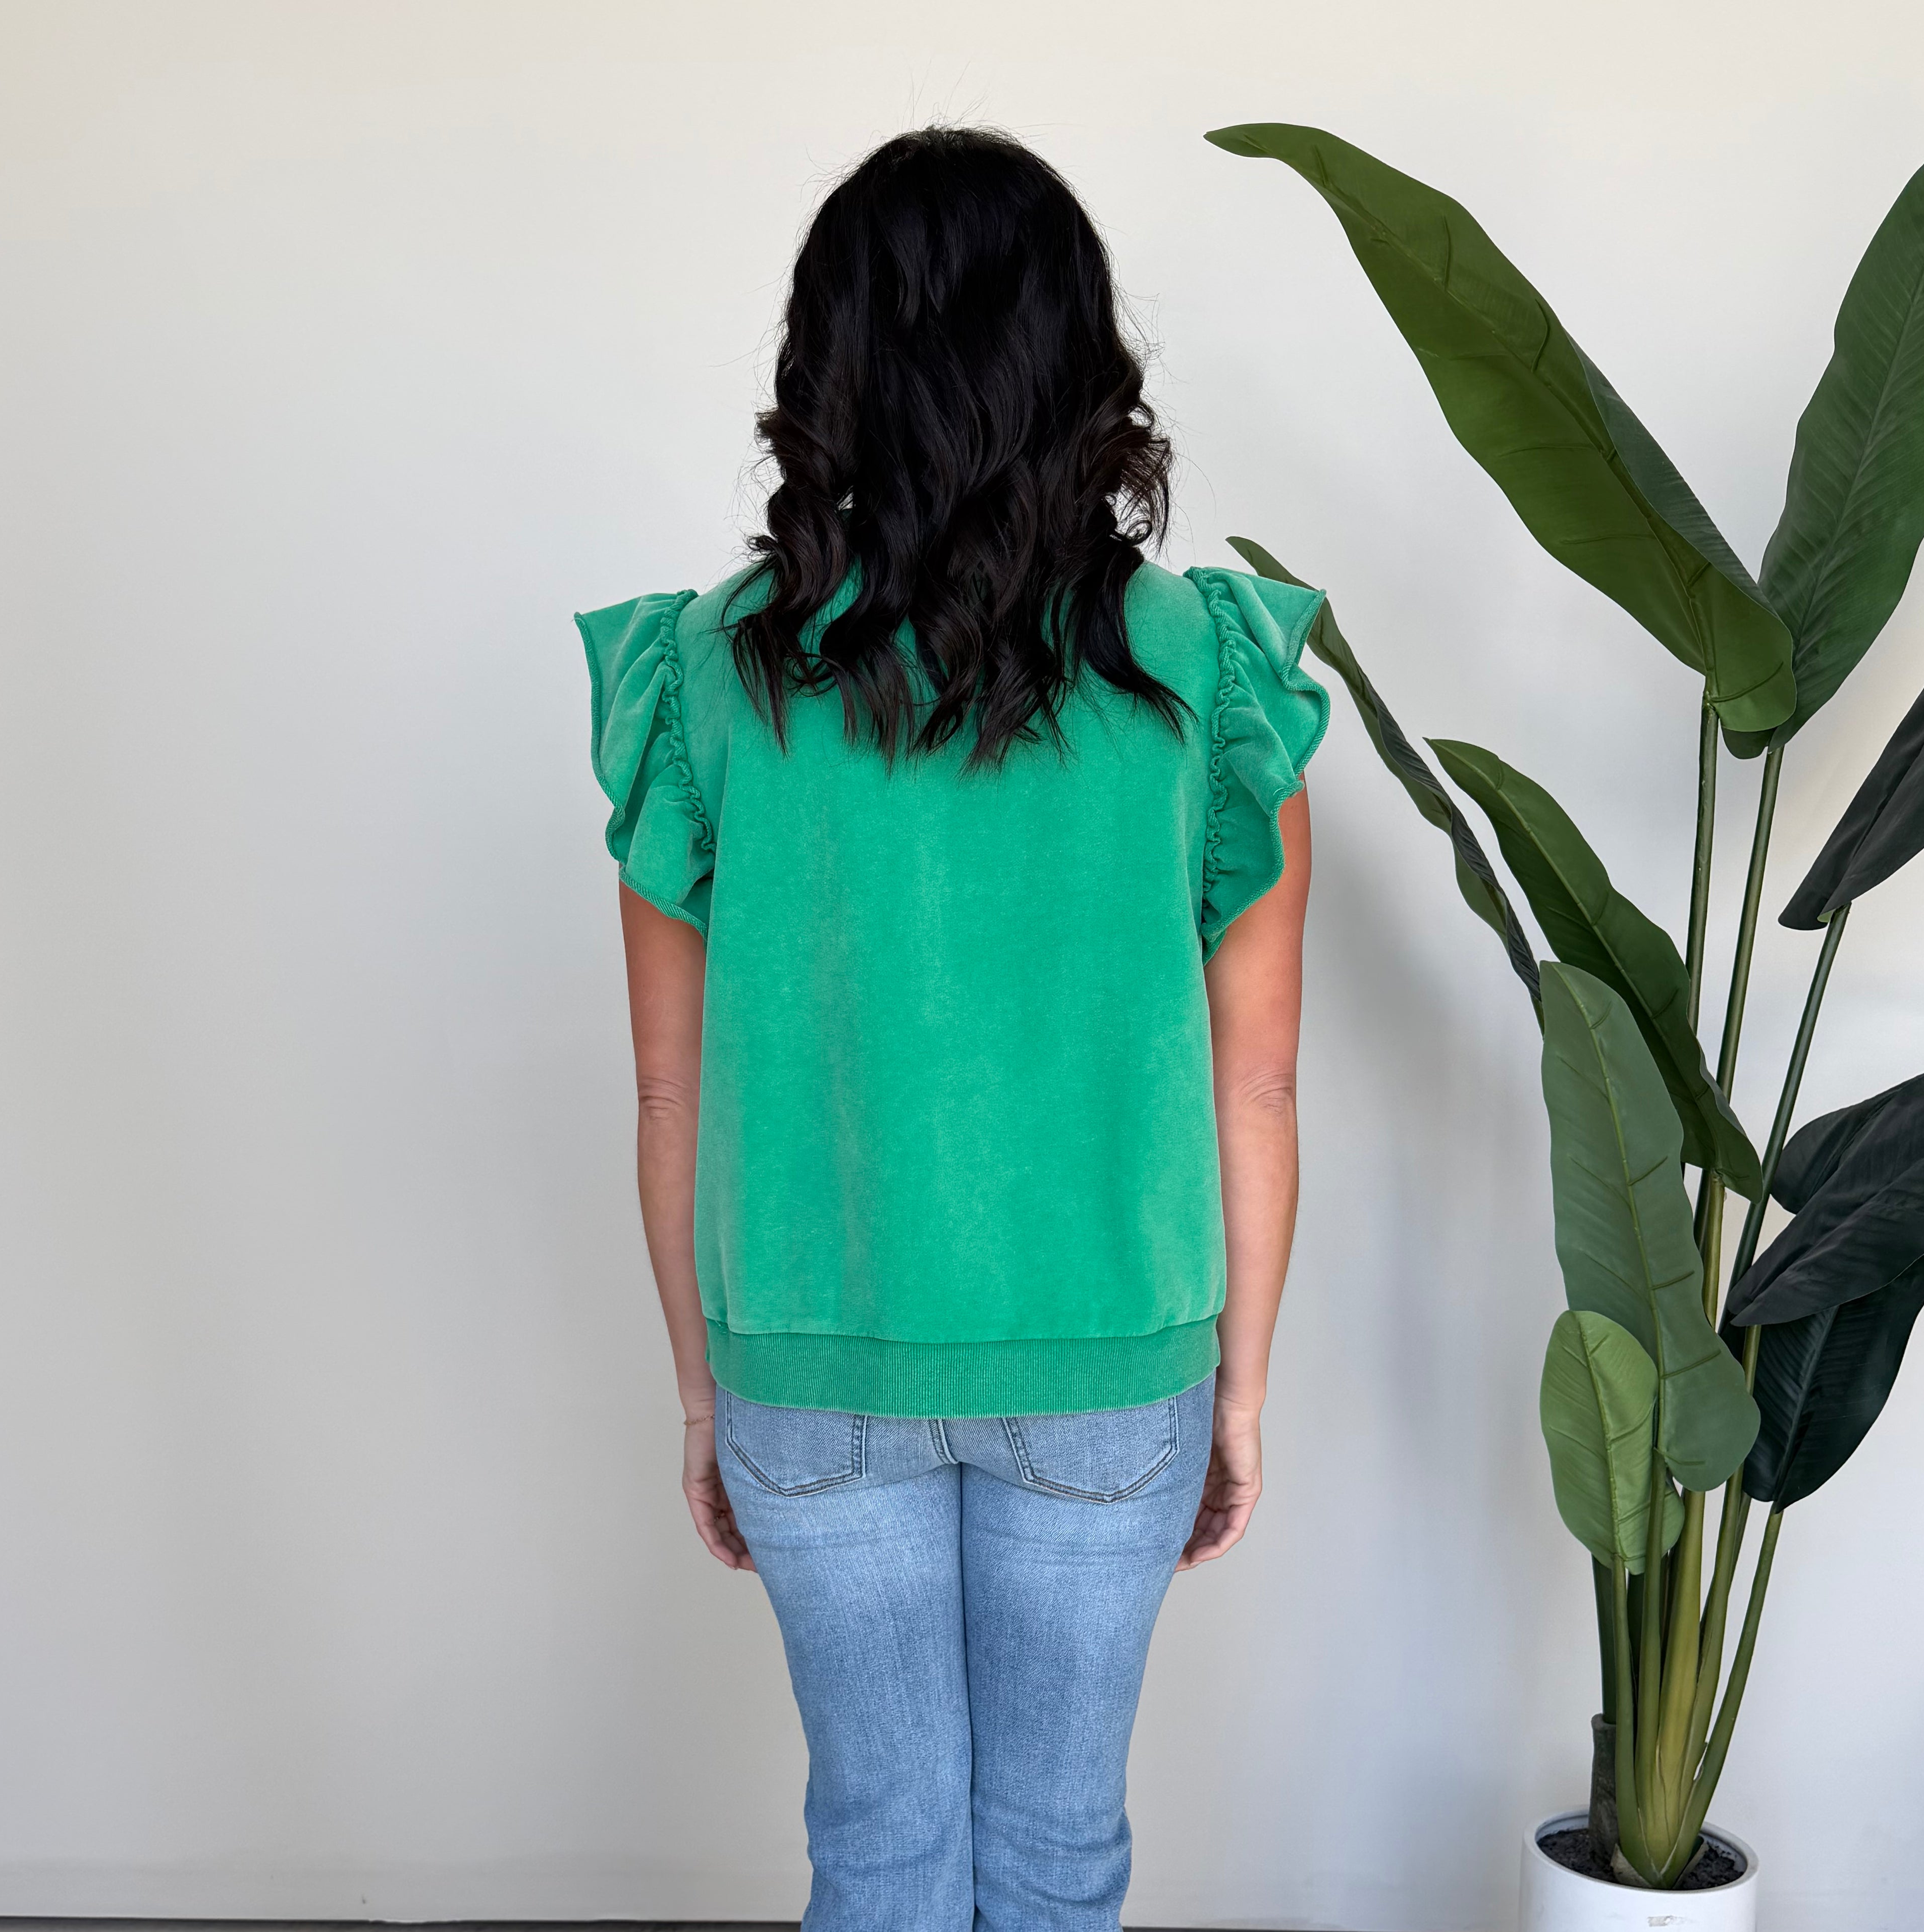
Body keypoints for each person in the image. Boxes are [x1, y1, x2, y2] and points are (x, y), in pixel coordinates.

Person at [576, 125, 1323, 1932]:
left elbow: (670, 1092)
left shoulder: (704, 675)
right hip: (1111, 1360)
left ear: (822, 365)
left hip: (808, 1356)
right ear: (1079, 365)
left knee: (880, 1854)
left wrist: (702, 1392)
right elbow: (1259, 1078)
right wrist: (1236, 1391)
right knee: (1057, 1857)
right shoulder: (1205, 667)